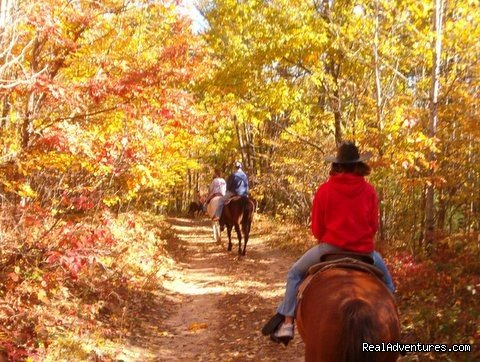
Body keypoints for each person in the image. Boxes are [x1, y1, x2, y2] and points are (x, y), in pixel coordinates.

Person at [266, 141, 395, 343]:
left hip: (330, 249)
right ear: (357, 165)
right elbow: (373, 226)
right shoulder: (369, 191)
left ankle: (287, 324)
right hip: (365, 252)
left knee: (294, 273)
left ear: (338, 165)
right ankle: (394, 332)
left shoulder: (324, 190)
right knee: (388, 284)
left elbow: (317, 228)